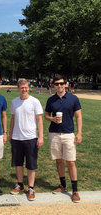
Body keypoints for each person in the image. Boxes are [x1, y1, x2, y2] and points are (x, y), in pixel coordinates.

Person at [44, 75, 82, 203]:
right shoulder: (51, 100)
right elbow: (46, 115)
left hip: (68, 134)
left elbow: (78, 116)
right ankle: (63, 185)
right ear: (53, 85)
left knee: (70, 162)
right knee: (59, 161)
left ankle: (75, 190)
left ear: (65, 84)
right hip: (54, 133)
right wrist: (52, 119)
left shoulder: (73, 98)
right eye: (56, 84)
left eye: (61, 83)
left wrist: (79, 133)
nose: (59, 86)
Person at [9, 78, 44, 201]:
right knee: (18, 163)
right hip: (17, 138)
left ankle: (31, 188)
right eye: (21, 87)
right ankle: (19, 184)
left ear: (28, 87)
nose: (24, 89)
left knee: (31, 165)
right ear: (18, 88)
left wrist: (40, 136)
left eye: (26, 87)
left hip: (31, 138)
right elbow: (12, 118)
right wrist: (10, 134)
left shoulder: (35, 101)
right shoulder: (14, 102)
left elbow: (39, 120)